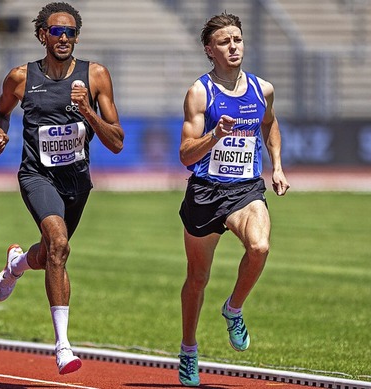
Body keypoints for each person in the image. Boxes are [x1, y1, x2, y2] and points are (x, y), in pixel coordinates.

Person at [0, 2, 124, 375]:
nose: (63, 38)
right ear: (42, 35)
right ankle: (63, 346)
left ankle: (17, 264)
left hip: (77, 181)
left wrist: (88, 112)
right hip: (37, 176)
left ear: (77, 37)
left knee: (52, 251)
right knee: (60, 245)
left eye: (70, 32)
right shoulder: (21, 77)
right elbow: (0, 110)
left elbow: (116, 141)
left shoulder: (95, 76)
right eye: (56, 31)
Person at [176, 12, 290, 386]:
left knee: (259, 247)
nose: (233, 46)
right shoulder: (200, 92)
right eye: (224, 42)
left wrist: (276, 166)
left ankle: (234, 308)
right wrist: (214, 136)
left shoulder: (263, 89)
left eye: (237, 39)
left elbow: (269, 123)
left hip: (245, 189)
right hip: (206, 193)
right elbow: (186, 155)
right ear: (210, 49)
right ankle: (189, 350)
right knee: (197, 279)